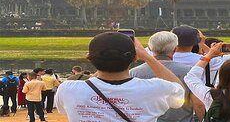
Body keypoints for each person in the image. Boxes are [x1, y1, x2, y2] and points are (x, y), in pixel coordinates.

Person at [55, 32, 185, 122]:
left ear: (89, 58)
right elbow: (179, 93)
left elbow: (63, 109)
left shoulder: (68, 89)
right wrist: (147, 56)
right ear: (135, 57)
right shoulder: (157, 88)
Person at [130, 31, 205, 121]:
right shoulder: (189, 71)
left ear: (150, 48)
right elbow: (199, 104)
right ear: (175, 49)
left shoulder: (134, 73)